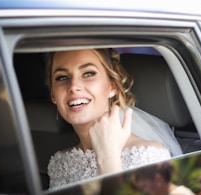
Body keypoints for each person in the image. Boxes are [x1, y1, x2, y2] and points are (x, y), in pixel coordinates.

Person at [46, 48, 182, 189]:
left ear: (112, 86)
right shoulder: (60, 162)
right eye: (62, 77)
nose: (73, 86)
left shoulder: (148, 156)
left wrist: (108, 161)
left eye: (88, 74)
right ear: (53, 95)